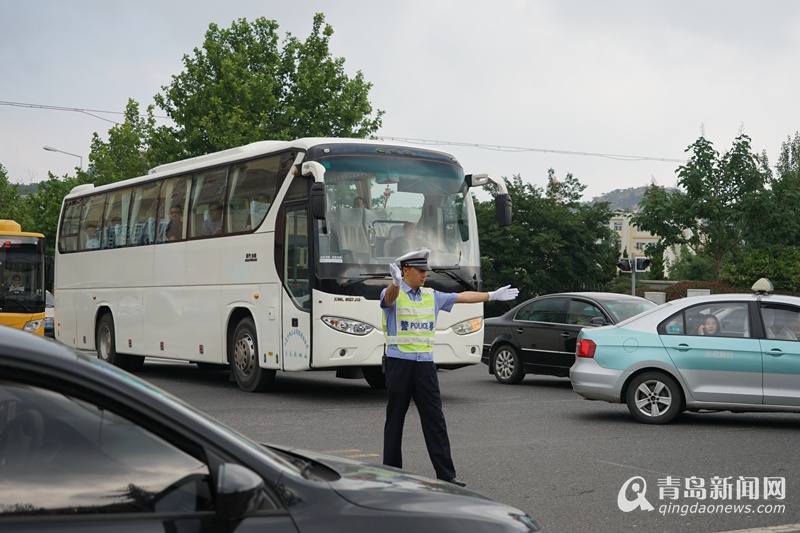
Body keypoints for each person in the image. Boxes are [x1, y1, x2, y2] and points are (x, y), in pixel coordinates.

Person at [381, 249, 519, 487]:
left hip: (424, 365)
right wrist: (395, 283)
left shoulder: (431, 296)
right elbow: (388, 300)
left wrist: (492, 296)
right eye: (420, 270)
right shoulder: (392, 291)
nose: (425, 274)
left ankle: (446, 474)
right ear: (405, 271)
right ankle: (392, 473)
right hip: (399, 363)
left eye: (426, 270)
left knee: (435, 420)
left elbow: (462, 297)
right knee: (395, 419)